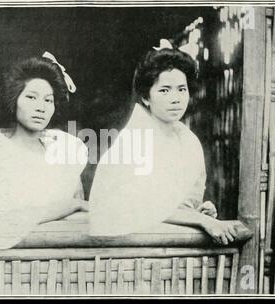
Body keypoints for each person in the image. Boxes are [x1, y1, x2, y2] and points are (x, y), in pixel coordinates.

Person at [89, 40, 237, 245]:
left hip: (170, 246)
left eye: (181, 89)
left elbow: (175, 203)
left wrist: (198, 211)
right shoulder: (135, 139)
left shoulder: (188, 140)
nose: (175, 98)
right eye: (164, 90)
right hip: (129, 246)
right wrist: (198, 219)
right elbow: (144, 207)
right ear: (146, 98)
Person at [0, 53, 88, 254]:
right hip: (11, 263)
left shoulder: (64, 148)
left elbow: (79, 205)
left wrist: (75, 206)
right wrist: (70, 206)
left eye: (48, 100)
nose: (41, 108)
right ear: (14, 100)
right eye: (31, 97)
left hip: (67, 257)